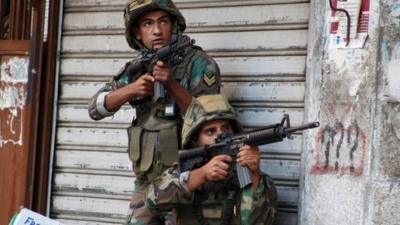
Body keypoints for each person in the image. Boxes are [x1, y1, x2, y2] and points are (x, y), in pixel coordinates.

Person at [87, 0, 221, 224]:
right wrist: (131, 89)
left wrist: (172, 85)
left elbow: (210, 120)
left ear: (174, 25)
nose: (157, 30)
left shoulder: (199, 64)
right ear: (137, 33)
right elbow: (95, 108)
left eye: (163, 21)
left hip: (187, 176)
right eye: (148, 24)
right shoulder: (137, 68)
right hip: (147, 180)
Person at [145, 94, 278, 225]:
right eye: (210, 131)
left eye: (226, 128)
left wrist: (254, 175)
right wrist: (202, 174)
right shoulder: (181, 172)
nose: (220, 135)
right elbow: (152, 202)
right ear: (194, 140)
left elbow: (261, 222)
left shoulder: (252, 178)